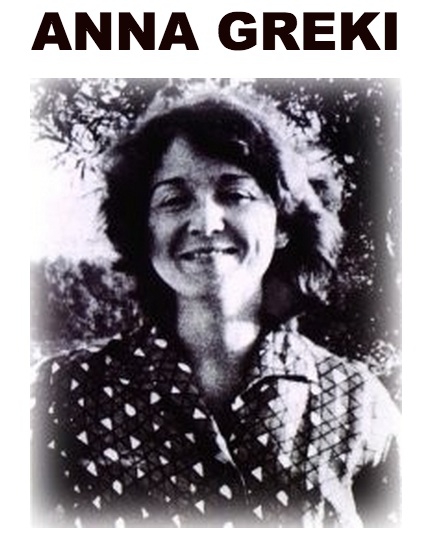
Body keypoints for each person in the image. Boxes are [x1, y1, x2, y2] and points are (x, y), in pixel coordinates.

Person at [31, 80, 400, 528]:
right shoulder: (63, 396)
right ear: (142, 230)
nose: (205, 222)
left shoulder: (358, 404)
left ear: (283, 223)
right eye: (174, 199)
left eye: (235, 194)